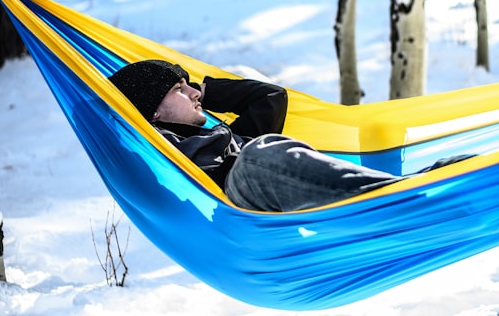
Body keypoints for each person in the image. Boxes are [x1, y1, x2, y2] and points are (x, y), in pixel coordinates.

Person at [109, 60, 400, 212]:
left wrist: (200, 91)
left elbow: (270, 97)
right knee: (261, 152)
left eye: (190, 86)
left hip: (259, 187)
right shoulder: (158, 147)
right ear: (152, 112)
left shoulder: (228, 137)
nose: (194, 93)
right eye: (178, 90)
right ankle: (393, 197)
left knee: (265, 150)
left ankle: (402, 190)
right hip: (230, 202)